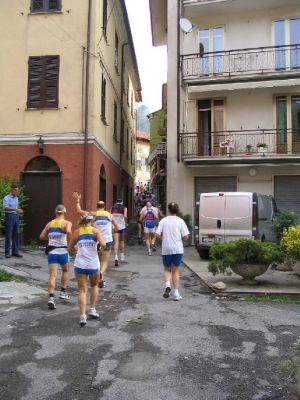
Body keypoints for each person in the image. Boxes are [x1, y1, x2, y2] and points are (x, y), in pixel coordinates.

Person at [72, 192, 119, 288]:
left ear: (97, 207)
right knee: (105, 262)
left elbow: (79, 211)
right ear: (105, 207)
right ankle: (101, 274)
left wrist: (77, 201)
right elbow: (117, 228)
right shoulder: (110, 215)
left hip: (96, 240)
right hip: (108, 240)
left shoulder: (94, 214)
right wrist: (111, 232)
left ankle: (101, 278)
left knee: (98, 260)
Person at [68, 212, 106, 326]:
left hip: (80, 264)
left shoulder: (76, 232)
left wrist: (80, 248)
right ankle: (92, 310)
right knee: (94, 286)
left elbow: (69, 248)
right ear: (91, 220)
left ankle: (82, 316)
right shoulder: (95, 231)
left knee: (82, 290)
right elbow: (104, 244)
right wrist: (99, 249)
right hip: (93, 264)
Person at [39, 205, 73, 310]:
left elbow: (41, 236)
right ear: (64, 212)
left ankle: (51, 298)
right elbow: (68, 231)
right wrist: (70, 242)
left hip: (52, 252)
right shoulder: (67, 223)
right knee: (65, 271)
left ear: (55, 213)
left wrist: (51, 237)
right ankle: (63, 292)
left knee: (52, 275)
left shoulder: (49, 224)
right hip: (63, 251)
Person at [155, 202, 189, 301]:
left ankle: (167, 285)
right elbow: (186, 237)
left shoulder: (163, 221)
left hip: (166, 248)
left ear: (168, 210)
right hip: (178, 248)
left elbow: (157, 234)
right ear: (177, 210)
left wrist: (163, 239)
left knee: (167, 269)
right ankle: (176, 294)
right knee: (175, 271)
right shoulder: (180, 221)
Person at [3, 184, 24, 258]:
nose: (16, 191)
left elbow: (16, 208)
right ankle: (7, 252)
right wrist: (15, 209)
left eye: (17, 190)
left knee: (16, 234)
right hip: (9, 216)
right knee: (8, 234)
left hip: (15, 216)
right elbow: (5, 207)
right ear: (11, 190)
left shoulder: (16, 198)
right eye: (15, 190)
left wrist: (18, 211)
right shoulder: (7, 198)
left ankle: (15, 251)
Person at [111, 199, 127, 265]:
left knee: (116, 242)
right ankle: (122, 256)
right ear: (122, 202)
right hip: (122, 226)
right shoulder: (124, 208)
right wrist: (125, 222)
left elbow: (110, 216)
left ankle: (116, 257)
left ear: (116, 202)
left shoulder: (112, 208)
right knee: (122, 241)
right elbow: (125, 216)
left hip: (115, 227)